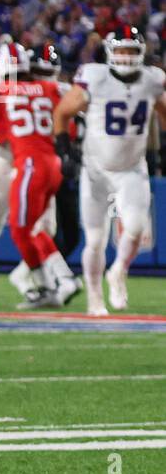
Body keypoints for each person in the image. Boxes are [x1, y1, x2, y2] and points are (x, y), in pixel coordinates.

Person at [54, 26, 166, 314]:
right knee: (94, 239)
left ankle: (118, 271)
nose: (126, 56)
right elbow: (63, 112)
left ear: (141, 53)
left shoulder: (153, 80)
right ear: (110, 51)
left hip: (131, 167)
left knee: (137, 226)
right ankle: (94, 298)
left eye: (131, 50)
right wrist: (64, 149)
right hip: (95, 169)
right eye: (121, 50)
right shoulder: (95, 76)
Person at [0, 43, 80, 308]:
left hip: (30, 164)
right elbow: (71, 127)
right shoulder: (51, 88)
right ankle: (61, 279)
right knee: (33, 228)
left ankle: (49, 285)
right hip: (52, 163)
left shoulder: (1, 91)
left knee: (20, 230)